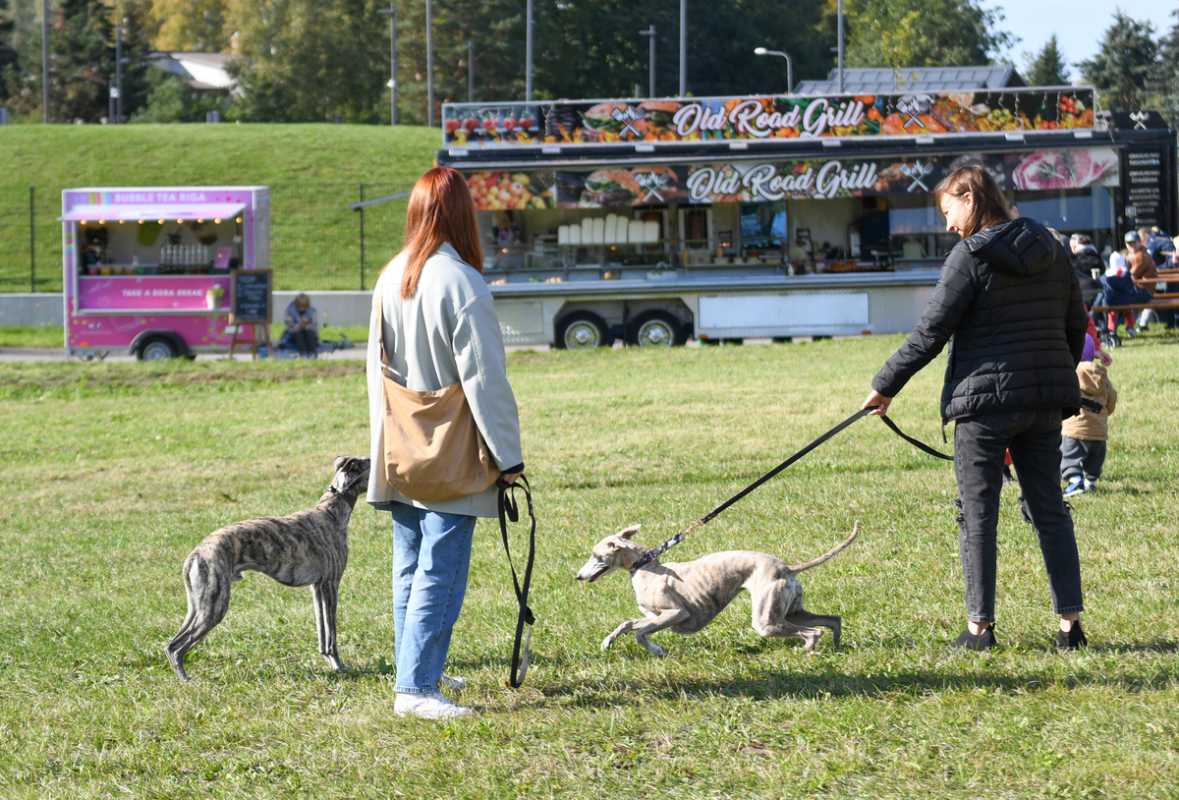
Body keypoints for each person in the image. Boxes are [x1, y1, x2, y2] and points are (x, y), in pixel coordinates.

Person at [861, 165, 1090, 651]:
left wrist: (885, 386)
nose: (947, 225)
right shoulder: (1053, 247)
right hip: (1045, 401)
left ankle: (979, 631)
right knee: (1049, 508)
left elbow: (931, 331)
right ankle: (1071, 627)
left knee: (978, 513)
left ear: (970, 197)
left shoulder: (970, 255)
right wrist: (1050, 376)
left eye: (948, 210)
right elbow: (1077, 325)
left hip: (985, 406)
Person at [365, 167, 524, 720]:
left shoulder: (391, 275)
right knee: (441, 567)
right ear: (461, 213)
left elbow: (374, 372)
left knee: (408, 564)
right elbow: (485, 379)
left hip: (400, 446)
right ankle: (416, 689)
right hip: (452, 450)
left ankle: (414, 670)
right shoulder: (462, 281)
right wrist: (510, 458)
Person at [1061, 335, 1116, 497]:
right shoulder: (1101, 375)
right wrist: (1103, 415)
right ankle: (1090, 482)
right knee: (1094, 460)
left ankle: (1075, 481)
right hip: (1099, 431)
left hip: (1074, 431)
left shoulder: (1068, 373)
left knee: (1068, 457)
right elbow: (1111, 400)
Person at [1069, 233, 1104, 306]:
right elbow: (1103, 270)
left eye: (1073, 247)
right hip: (1098, 288)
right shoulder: (1097, 256)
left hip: (1081, 290)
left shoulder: (1075, 258)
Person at [283, 293, 320, 358]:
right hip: (294, 334)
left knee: (310, 333)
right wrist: (299, 326)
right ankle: (303, 355)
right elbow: (289, 328)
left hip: (309, 332)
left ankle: (312, 354)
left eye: (304, 307)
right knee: (299, 334)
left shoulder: (312, 311)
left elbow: (315, 327)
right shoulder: (289, 311)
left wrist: (306, 326)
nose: (302, 309)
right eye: (300, 307)